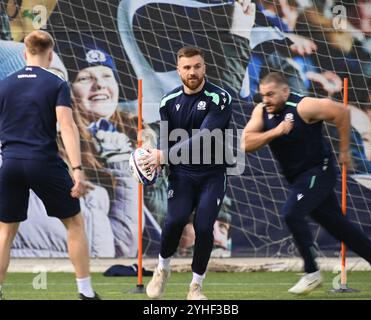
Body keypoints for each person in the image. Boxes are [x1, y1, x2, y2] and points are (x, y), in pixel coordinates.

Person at [241, 72, 371, 295]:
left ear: (285, 92)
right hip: (298, 178)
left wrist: (344, 151)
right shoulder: (262, 110)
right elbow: (246, 143)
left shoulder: (303, 106)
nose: (265, 99)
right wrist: (276, 131)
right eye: (263, 94)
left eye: (271, 94)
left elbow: (342, 112)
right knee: (340, 227)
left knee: (291, 213)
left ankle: (311, 273)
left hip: (319, 171)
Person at [0, 30, 99, 300]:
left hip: (10, 164)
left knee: (5, 232)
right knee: (75, 223)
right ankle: (86, 293)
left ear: (25, 54)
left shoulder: (4, 84)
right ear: (51, 54)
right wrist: (77, 169)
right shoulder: (56, 83)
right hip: (43, 162)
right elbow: (66, 126)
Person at [141, 46, 232, 300]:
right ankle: (162, 269)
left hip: (212, 174)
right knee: (174, 221)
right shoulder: (168, 102)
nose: (192, 72)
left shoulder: (220, 98)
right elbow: (166, 139)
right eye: (187, 67)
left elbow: (205, 136)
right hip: (181, 174)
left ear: (204, 67)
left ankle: (195, 286)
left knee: (204, 228)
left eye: (197, 66)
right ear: (178, 70)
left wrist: (164, 155)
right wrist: (157, 157)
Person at [68, 44, 157, 257]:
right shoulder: (62, 143)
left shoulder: (142, 131)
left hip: (157, 256)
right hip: (105, 256)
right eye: (85, 78)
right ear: (69, 91)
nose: (99, 85)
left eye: (107, 76)